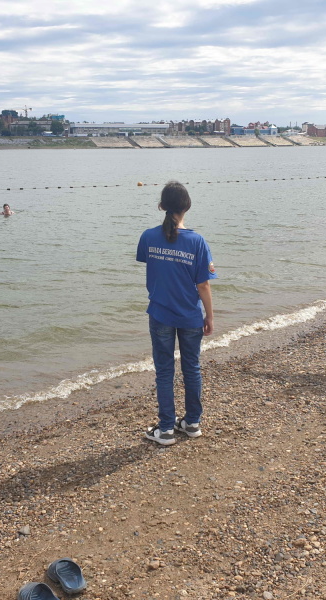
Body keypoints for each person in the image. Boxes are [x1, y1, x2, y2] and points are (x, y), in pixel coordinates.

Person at [136, 181, 217, 446]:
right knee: (191, 367)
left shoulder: (148, 237)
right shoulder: (197, 241)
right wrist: (210, 316)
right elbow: (203, 284)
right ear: (187, 207)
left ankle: (167, 428)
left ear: (161, 206)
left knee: (164, 371)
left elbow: (156, 265)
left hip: (160, 314)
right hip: (190, 316)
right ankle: (192, 422)